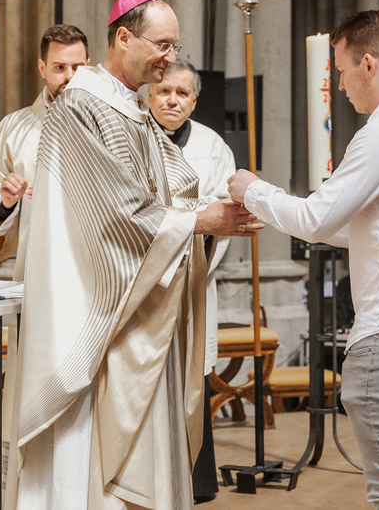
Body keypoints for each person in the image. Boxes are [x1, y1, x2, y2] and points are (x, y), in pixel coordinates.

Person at [2, 0, 262, 510]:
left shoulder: (133, 110)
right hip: (94, 311)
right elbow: (115, 216)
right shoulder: (82, 106)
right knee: (84, 466)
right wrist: (202, 220)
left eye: (175, 45)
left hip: (139, 307)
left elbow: (169, 191)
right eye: (162, 44)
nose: (170, 57)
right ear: (124, 37)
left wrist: (221, 207)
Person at [228, 10, 379, 509]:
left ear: (369, 64)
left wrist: (254, 191)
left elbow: (317, 219)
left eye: (341, 71)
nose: (339, 86)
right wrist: (282, 215)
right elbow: (369, 230)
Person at [148, 59, 236, 503]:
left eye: (182, 93)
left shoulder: (212, 145)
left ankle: (196, 483)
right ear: (149, 93)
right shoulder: (133, 137)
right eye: (164, 91)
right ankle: (150, 483)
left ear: (195, 100)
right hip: (143, 284)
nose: (172, 100)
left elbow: (223, 216)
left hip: (193, 281)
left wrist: (190, 245)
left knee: (191, 379)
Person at [0, 24, 89, 270]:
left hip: (93, 267)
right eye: (59, 67)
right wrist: (5, 203)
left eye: (78, 67)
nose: (69, 76)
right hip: (35, 265)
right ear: (42, 68)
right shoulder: (12, 129)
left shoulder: (108, 125)